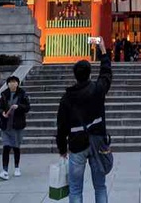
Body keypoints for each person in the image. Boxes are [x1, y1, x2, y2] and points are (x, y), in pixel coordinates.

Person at [56, 37, 112, 203]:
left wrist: (62, 148)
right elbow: (106, 74)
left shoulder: (67, 98)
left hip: (76, 144)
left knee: (75, 189)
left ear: (75, 75)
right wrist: (103, 50)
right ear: (89, 73)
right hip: (97, 142)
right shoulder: (97, 89)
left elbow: (61, 126)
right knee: (100, 186)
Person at [0, 75, 31, 180]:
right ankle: (5, 170)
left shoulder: (22, 94)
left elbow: (27, 107)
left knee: (16, 147)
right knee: (6, 146)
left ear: (18, 83)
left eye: (14, 82)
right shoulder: (4, 95)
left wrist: (19, 107)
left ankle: (17, 167)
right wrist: (2, 113)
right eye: (10, 82)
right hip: (6, 125)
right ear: (7, 84)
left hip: (17, 125)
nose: (12, 84)